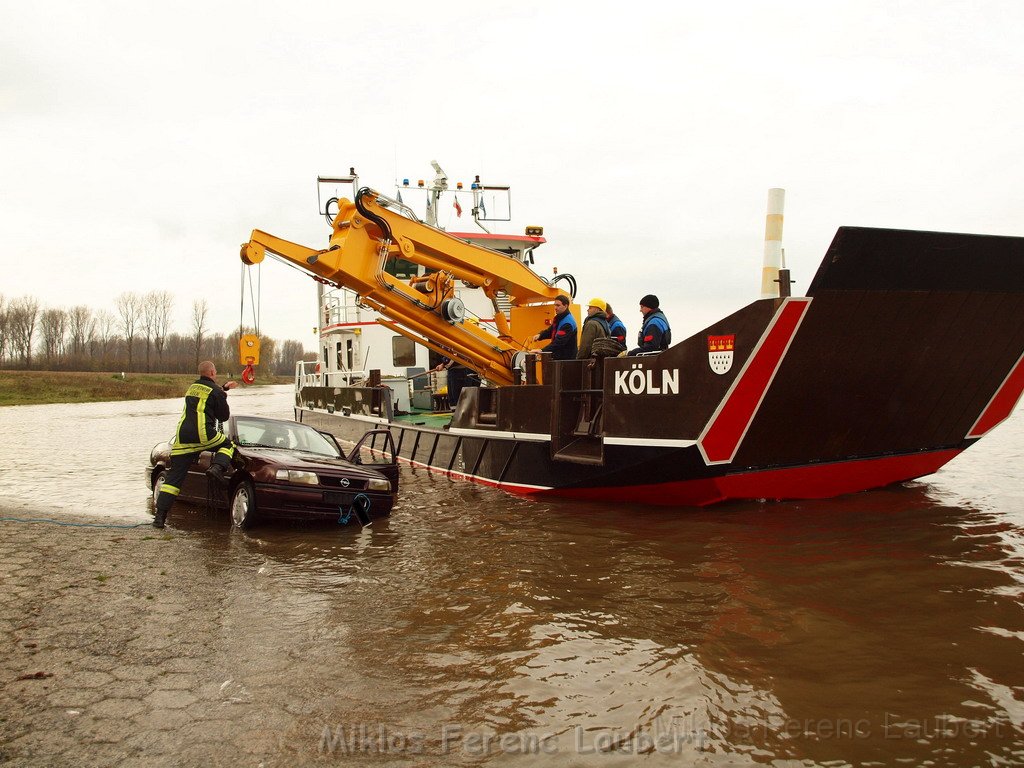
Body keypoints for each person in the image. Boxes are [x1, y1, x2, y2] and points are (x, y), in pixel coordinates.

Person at [153, 361, 238, 528]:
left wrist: (223, 389)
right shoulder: (216, 392)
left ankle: (159, 518)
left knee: (172, 481)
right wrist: (224, 395)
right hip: (203, 435)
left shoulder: (192, 388)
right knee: (228, 446)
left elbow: (208, 395)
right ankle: (217, 468)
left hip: (182, 438)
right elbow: (223, 416)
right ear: (213, 372)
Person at [530, 294, 577, 360]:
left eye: (558, 305)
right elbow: (551, 331)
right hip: (559, 357)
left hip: (566, 360)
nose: (555, 308)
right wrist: (540, 335)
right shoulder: (560, 318)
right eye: (555, 305)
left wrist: (542, 351)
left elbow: (559, 343)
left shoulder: (568, 323)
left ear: (565, 306)